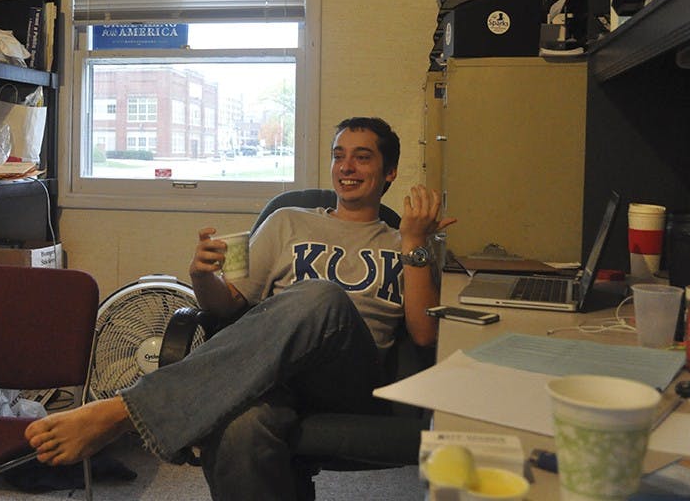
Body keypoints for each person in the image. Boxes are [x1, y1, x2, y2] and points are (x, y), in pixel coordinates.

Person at [25, 116, 455, 499]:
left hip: (350, 380)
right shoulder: (285, 221)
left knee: (320, 296)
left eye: (362, 158)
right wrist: (202, 277)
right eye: (338, 155)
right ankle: (137, 411)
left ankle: (127, 411)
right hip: (271, 373)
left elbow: (424, 334)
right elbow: (227, 308)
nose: (346, 167)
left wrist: (416, 244)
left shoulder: (404, 241)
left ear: (390, 172)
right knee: (240, 428)